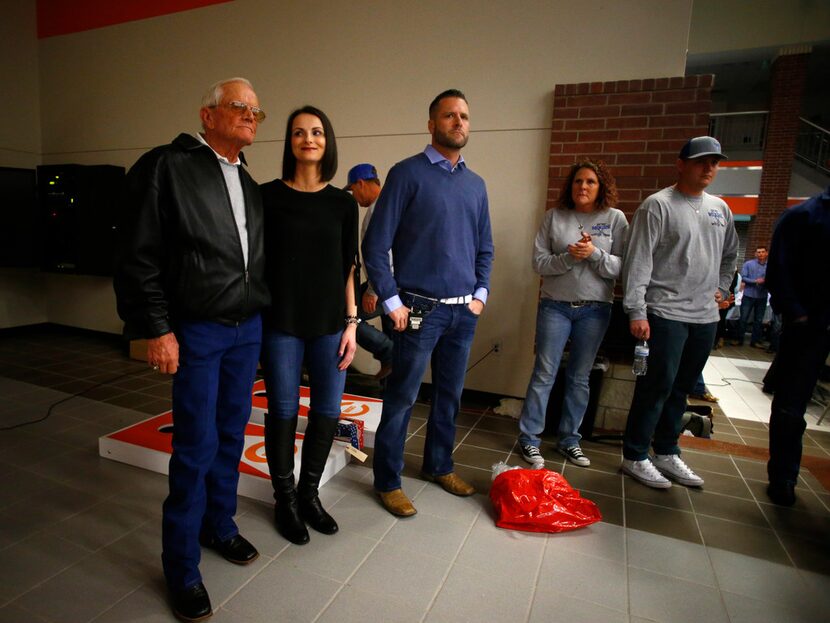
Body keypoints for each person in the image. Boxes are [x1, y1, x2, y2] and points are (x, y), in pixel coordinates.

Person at [114, 78, 270, 622]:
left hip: (246, 328)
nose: (251, 116)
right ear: (207, 115)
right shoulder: (167, 166)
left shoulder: (247, 180)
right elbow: (138, 253)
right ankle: (181, 568)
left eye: (257, 111)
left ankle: (219, 526)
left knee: (231, 437)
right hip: (198, 330)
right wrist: (156, 328)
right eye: (239, 107)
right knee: (195, 446)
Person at [363, 89, 494, 517]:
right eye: (449, 115)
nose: (459, 122)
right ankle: (388, 481)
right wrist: (392, 301)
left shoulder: (476, 185)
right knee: (402, 397)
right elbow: (375, 244)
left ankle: (440, 465)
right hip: (417, 310)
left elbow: (485, 249)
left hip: (463, 313)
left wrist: (480, 296)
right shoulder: (407, 174)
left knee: (450, 396)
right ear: (431, 123)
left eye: (464, 116)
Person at [259, 106, 359, 545]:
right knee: (283, 411)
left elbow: (348, 268)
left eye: (317, 132)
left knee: (327, 412)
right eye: (299, 133)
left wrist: (352, 323)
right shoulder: (266, 196)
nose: (308, 139)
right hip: (281, 323)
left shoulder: (343, 202)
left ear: (327, 140)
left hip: (329, 325)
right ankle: (284, 500)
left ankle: (308, 495)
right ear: (289, 142)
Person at [621, 136, 738, 489]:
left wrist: (723, 287)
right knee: (656, 387)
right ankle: (635, 455)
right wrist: (636, 311)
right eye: (702, 161)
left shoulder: (721, 208)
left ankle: (667, 451)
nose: (709, 168)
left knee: (682, 388)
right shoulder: (657, 206)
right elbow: (638, 261)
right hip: (664, 313)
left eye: (715, 162)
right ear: (681, 164)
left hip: (705, 317)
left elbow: (731, 254)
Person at [516, 159, 628, 469]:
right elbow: (539, 263)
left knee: (580, 378)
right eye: (578, 181)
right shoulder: (554, 217)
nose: (583, 187)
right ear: (571, 186)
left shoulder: (615, 219)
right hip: (555, 306)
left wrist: (594, 255)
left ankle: (569, 440)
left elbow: (623, 267)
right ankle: (529, 439)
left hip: (595, 310)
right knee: (544, 373)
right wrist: (568, 257)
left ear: (600, 186)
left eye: (591, 182)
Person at [765, 186, 830, 505]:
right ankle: (784, 476)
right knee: (791, 406)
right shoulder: (804, 216)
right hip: (810, 327)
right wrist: (799, 316)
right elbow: (778, 270)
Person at [344, 163, 394, 379]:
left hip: (386, 283)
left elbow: (384, 254)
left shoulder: (377, 211)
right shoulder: (391, 204)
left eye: (353, 190)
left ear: (361, 184)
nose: (354, 196)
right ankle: (391, 369)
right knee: (392, 329)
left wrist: (373, 291)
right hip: (399, 282)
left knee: (345, 316)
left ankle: (389, 354)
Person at [734, 246, 769, 347]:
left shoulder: (770, 266)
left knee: (758, 320)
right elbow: (744, 278)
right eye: (758, 252)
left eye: (763, 252)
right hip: (749, 295)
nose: (760, 254)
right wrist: (755, 281)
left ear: (766, 253)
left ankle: (755, 341)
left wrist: (764, 281)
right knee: (743, 318)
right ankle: (739, 339)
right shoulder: (748, 264)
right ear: (755, 254)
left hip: (762, 296)